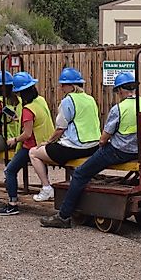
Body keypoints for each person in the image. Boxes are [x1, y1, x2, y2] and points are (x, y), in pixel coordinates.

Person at [40, 71, 141, 228]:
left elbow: (105, 136)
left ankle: (63, 216)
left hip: (118, 151)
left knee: (80, 173)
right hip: (140, 150)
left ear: (120, 90)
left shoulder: (119, 109)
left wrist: (101, 145)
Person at [29, 67, 101, 202]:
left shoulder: (68, 101)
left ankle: (46, 188)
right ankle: (74, 181)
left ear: (71, 86)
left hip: (74, 148)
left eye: (63, 84)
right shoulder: (90, 99)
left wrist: (48, 142)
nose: (61, 87)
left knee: (33, 152)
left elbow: (60, 129)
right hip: (94, 146)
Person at [0, 72, 55, 216]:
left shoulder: (28, 110)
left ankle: (12, 203)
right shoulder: (40, 101)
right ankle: (46, 188)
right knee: (40, 166)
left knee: (10, 171)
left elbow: (27, 134)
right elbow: (37, 120)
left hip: (31, 146)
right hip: (45, 143)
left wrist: (14, 140)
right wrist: (19, 119)